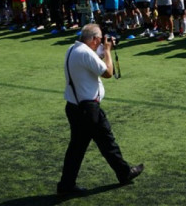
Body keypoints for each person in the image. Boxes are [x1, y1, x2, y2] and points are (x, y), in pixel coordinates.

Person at [58, 25, 143, 196]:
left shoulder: (73, 49)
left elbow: (91, 60)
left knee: (77, 148)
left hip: (75, 107)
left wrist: (102, 51)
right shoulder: (86, 53)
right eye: (100, 39)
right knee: (107, 142)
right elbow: (108, 72)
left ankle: (66, 185)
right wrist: (109, 52)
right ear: (94, 39)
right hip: (89, 109)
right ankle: (124, 173)